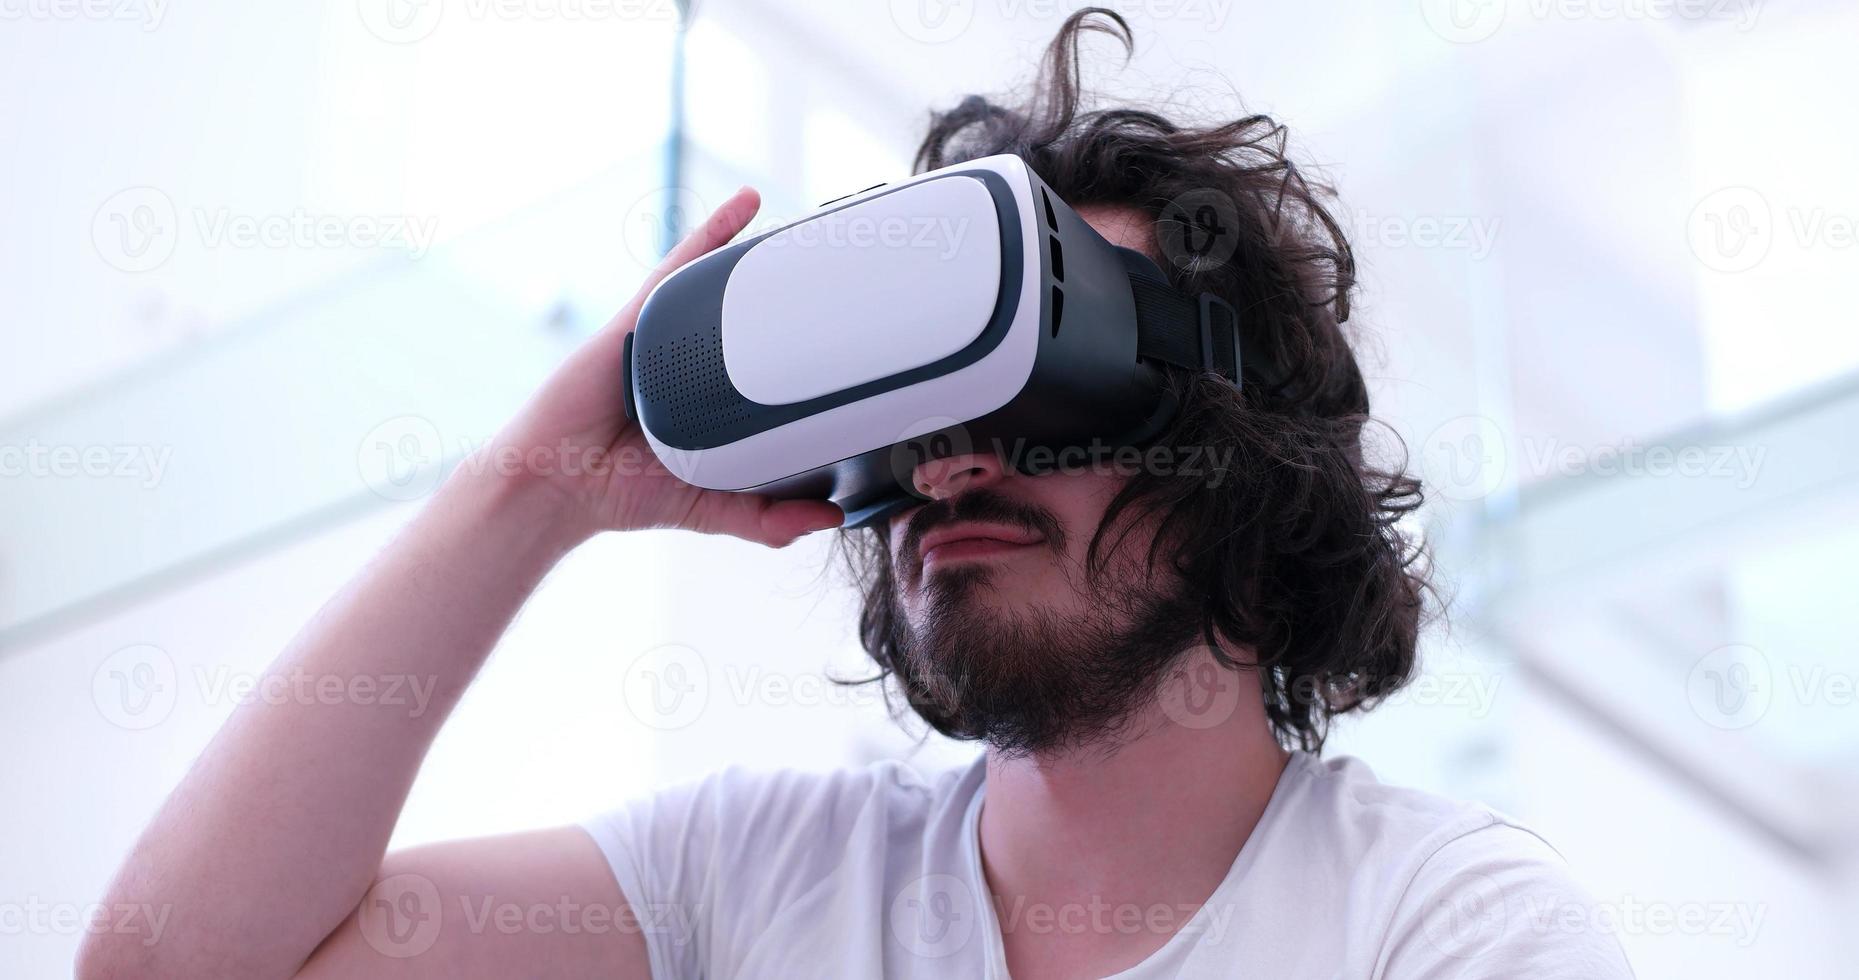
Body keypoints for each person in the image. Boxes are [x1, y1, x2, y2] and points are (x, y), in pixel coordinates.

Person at [79, 10, 1633, 979]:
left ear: (1240, 450)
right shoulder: (748, 886)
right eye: (918, 405)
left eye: (1039, 387)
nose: (955, 460)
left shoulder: (1446, 932)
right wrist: (540, 488)